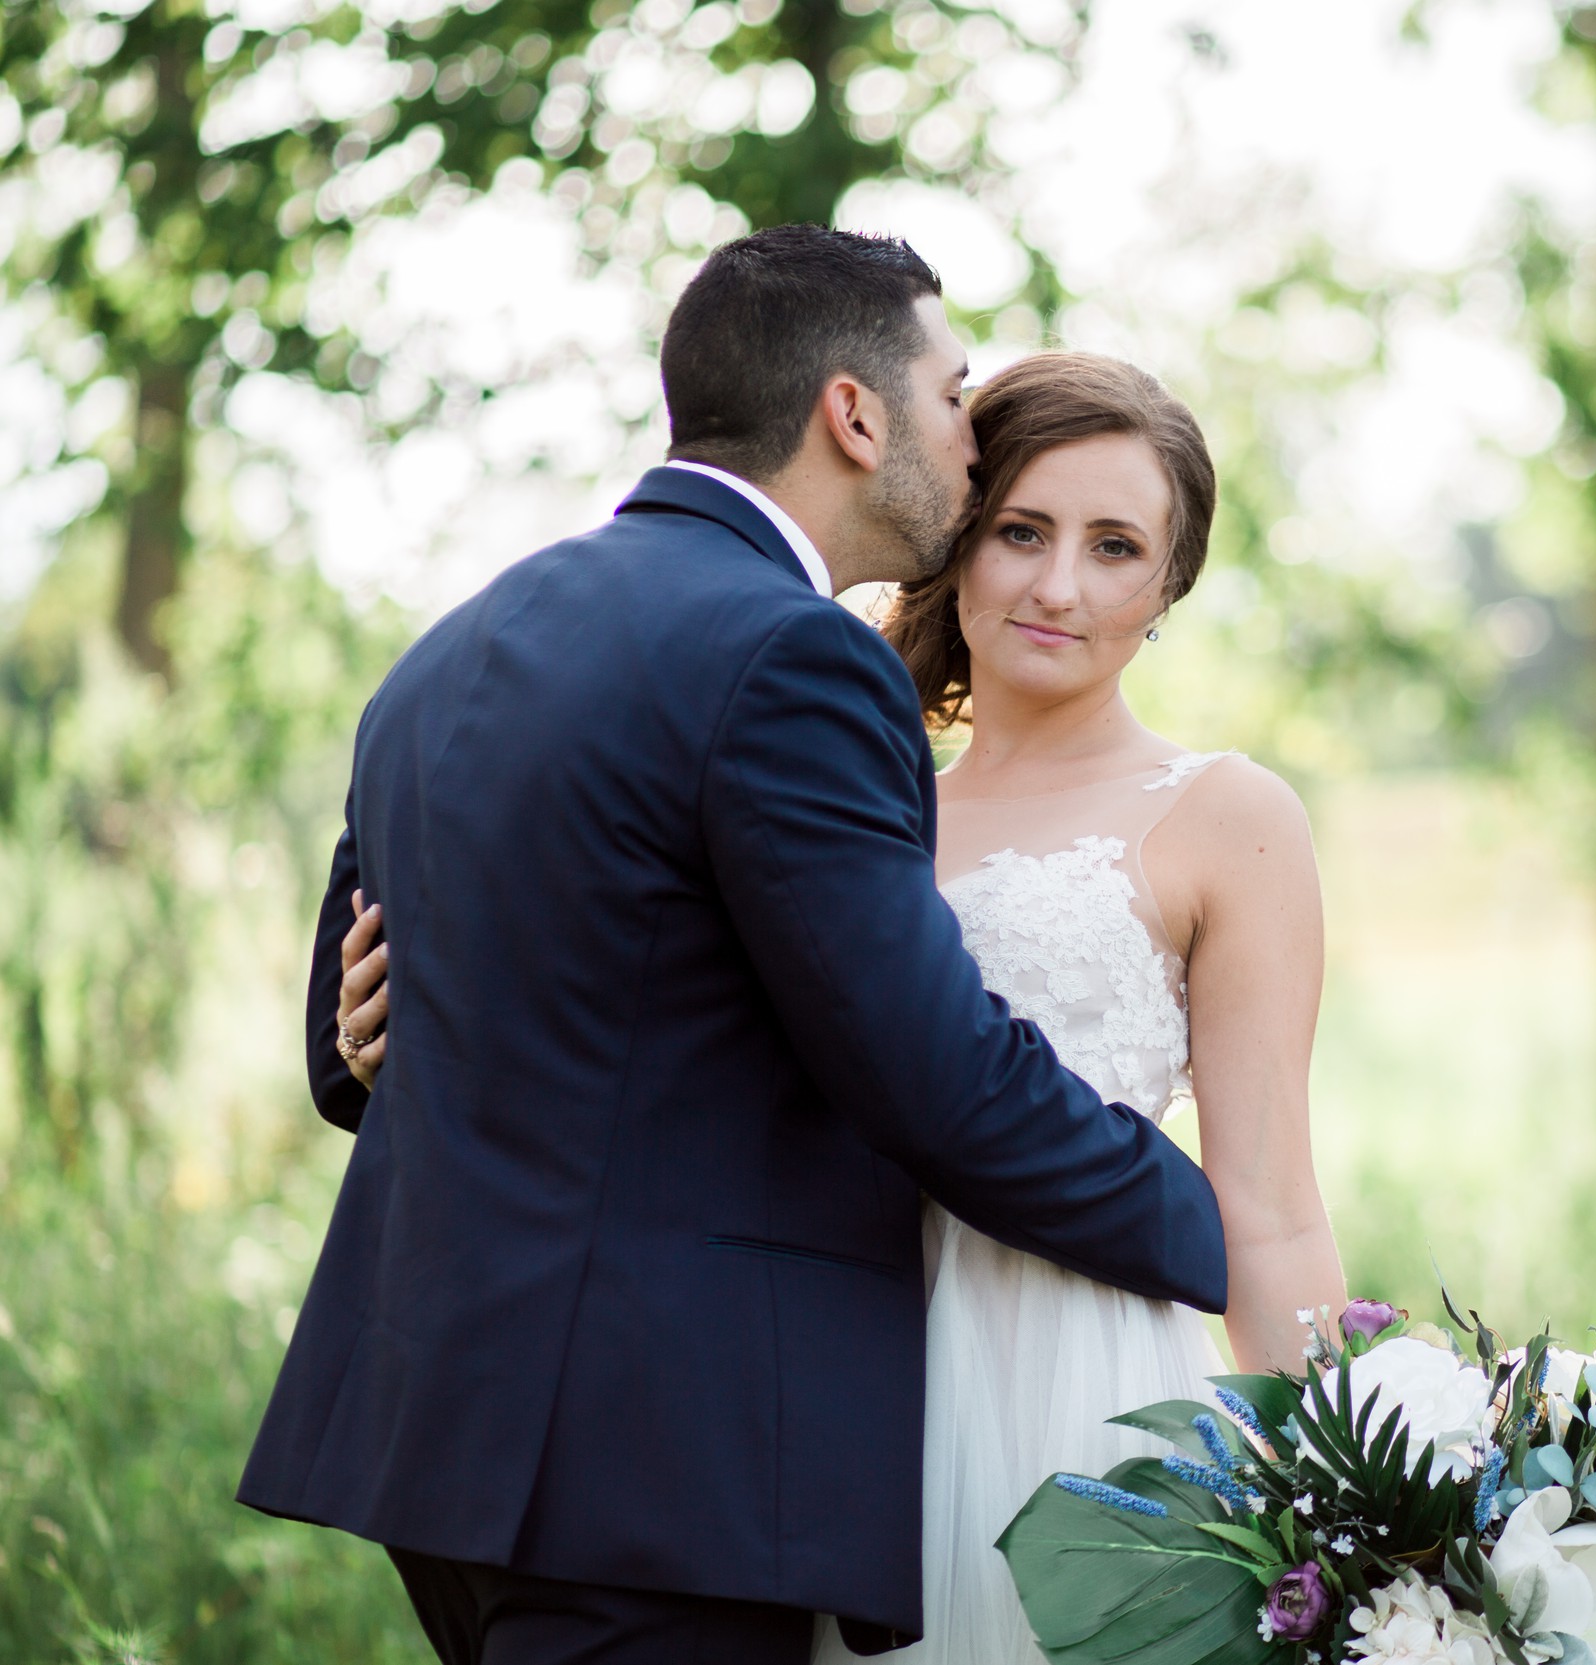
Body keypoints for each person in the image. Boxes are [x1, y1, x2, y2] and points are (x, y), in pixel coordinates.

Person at [239, 226, 1231, 1665]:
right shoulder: (789, 655)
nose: (972, 444)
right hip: (651, 1465)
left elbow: (363, 1045)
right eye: (954, 397)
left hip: (438, 1439)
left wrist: (354, 1047)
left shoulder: (450, 646)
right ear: (853, 413)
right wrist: (1214, 1233)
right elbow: (933, 1074)